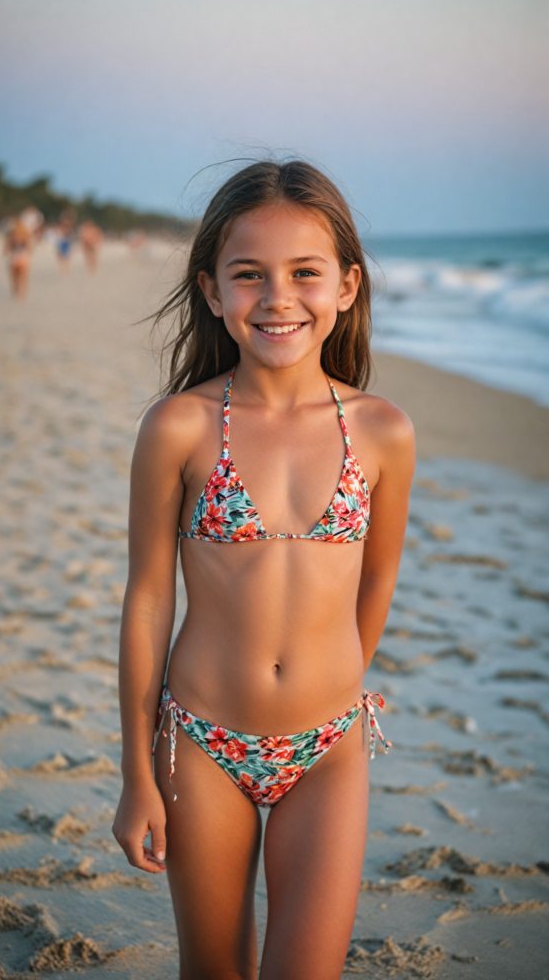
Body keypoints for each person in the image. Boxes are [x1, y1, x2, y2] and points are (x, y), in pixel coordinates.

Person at [112, 160, 415, 980]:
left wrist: (346, 674)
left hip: (327, 747)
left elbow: (377, 576)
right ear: (212, 291)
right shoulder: (178, 427)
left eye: (303, 273)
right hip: (203, 743)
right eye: (249, 275)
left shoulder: (381, 431)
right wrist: (135, 773)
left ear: (346, 286)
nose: (277, 297)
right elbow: (146, 601)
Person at [4, 217, 32, 299]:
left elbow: (8, 245)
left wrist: (5, 251)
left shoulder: (12, 233)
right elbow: (29, 246)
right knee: (24, 277)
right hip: (23, 256)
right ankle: (23, 294)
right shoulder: (25, 233)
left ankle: (16, 290)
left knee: (14, 276)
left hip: (15, 256)